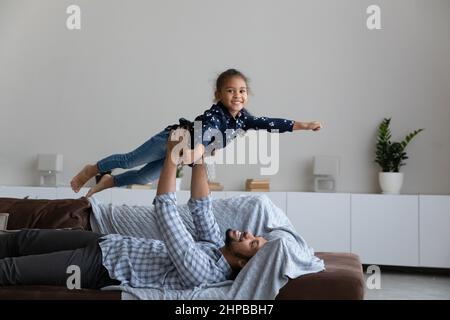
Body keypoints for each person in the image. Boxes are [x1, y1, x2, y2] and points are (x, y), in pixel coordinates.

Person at [0, 133, 267, 289]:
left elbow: (167, 214)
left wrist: (173, 160)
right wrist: (199, 157)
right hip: (106, 242)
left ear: (243, 264)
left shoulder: (205, 274)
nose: (247, 233)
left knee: (11, 271)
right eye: (254, 235)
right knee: (23, 239)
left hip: (100, 268)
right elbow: (201, 206)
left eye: (252, 242)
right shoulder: (213, 247)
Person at [70, 68, 323, 197]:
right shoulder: (215, 113)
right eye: (231, 90)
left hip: (185, 155)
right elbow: (205, 128)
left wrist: (302, 125)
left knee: (145, 178)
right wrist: (200, 149)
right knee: (129, 161)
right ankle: (93, 169)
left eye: (242, 90)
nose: (238, 95)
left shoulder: (245, 119)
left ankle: (110, 181)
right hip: (172, 140)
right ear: (219, 95)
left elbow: (270, 123)